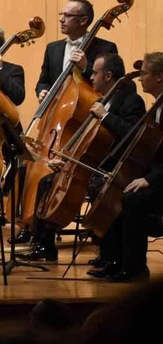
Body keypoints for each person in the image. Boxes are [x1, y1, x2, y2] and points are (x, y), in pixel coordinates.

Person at [20, 52, 146, 262]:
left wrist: (106, 116)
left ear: (108, 76)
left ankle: (109, 254)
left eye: (95, 73)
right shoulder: (102, 100)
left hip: (113, 167)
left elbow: (132, 134)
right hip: (92, 164)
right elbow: (87, 141)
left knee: (99, 189)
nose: (91, 77)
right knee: (46, 182)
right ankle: (43, 245)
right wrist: (66, 159)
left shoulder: (131, 101)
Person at [89, 51, 163, 282]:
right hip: (154, 173)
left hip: (160, 178)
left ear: (159, 77)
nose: (139, 78)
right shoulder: (157, 105)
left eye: (144, 73)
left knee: (131, 198)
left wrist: (149, 179)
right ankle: (114, 260)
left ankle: (135, 267)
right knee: (114, 187)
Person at [36, 0, 119, 98]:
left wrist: (86, 67)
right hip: (57, 106)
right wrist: (42, 92)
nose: (61, 19)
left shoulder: (106, 48)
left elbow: (112, 84)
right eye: (62, 14)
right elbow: (43, 82)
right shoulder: (52, 48)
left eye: (67, 15)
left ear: (83, 20)